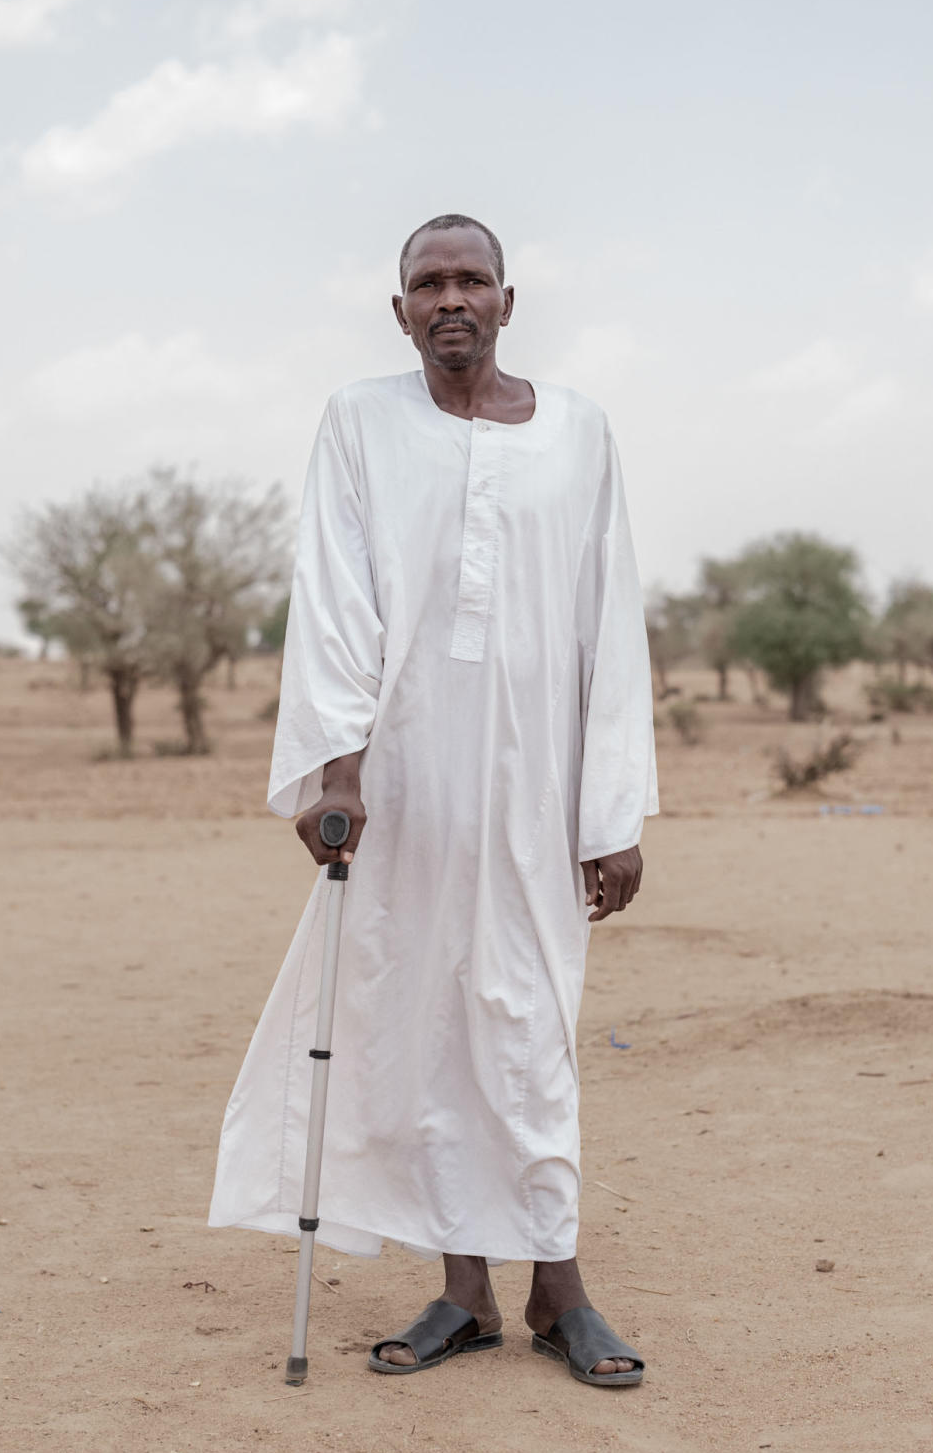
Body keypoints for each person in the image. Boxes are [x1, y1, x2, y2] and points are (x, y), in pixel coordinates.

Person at [209, 213, 658, 1385]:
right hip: (407, 778)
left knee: (530, 1019)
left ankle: (558, 1286)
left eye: (471, 279)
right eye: (427, 282)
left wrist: (612, 811)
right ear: (398, 309)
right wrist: (336, 769)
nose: (449, 297)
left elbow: (610, 623)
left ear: (510, 300)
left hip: (540, 782)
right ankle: (465, 1293)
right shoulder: (361, 422)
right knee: (421, 1022)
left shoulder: (579, 433)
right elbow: (338, 591)